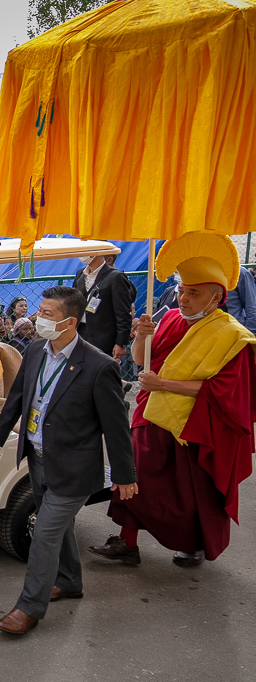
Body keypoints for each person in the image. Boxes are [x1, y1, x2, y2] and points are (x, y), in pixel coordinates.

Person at [89, 232, 256, 568]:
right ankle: (127, 542)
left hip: (194, 424)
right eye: (181, 291)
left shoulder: (232, 336)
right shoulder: (169, 319)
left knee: (192, 491)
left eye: (193, 293)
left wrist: (163, 383)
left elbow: (223, 392)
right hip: (152, 413)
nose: (183, 299)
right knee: (134, 475)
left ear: (216, 297)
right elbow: (140, 362)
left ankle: (192, 544)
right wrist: (141, 336)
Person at [0, 286, 137, 635]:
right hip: (38, 457)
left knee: (44, 531)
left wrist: (125, 474)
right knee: (59, 527)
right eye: (40, 311)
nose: (39, 319)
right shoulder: (37, 349)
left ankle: (29, 607)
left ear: (70, 322)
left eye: (48, 315)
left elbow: (116, 427)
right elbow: (19, 395)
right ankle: (69, 581)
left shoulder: (99, 367)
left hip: (74, 467)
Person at [72, 254, 135, 358]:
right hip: (80, 331)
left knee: (100, 369)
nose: (82, 254)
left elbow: (123, 312)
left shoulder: (115, 276)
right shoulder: (80, 274)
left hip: (104, 336)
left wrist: (121, 343)